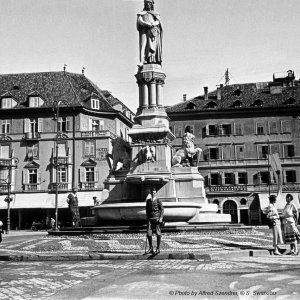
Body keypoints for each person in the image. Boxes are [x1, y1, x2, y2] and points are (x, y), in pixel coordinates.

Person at [137, 0, 162, 66]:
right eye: (146, 3)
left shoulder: (155, 13)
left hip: (152, 30)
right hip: (144, 30)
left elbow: (158, 21)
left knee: (152, 45)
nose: (148, 4)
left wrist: (153, 24)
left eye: (149, 3)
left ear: (151, 4)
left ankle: (151, 59)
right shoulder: (142, 13)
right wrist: (146, 23)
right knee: (143, 45)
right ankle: (142, 61)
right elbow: (140, 21)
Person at [145, 187, 164, 254]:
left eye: (154, 192)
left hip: (157, 219)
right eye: (152, 192)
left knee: (158, 233)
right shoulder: (148, 201)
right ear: (150, 193)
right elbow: (147, 210)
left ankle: (158, 248)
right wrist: (147, 218)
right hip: (150, 219)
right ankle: (150, 248)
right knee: (149, 233)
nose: (153, 193)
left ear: (155, 192)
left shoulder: (158, 200)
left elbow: (162, 209)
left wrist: (161, 218)